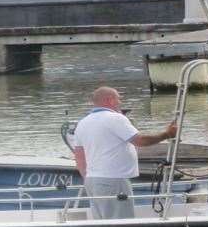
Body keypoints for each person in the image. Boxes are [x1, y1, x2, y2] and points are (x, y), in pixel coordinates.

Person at [71, 86, 176, 219]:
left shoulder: (83, 123)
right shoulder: (115, 118)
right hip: (113, 180)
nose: (120, 102)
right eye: (118, 99)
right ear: (110, 100)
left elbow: (79, 157)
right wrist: (166, 134)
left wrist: (89, 177)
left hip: (92, 180)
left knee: (101, 222)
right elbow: (140, 141)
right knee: (121, 222)